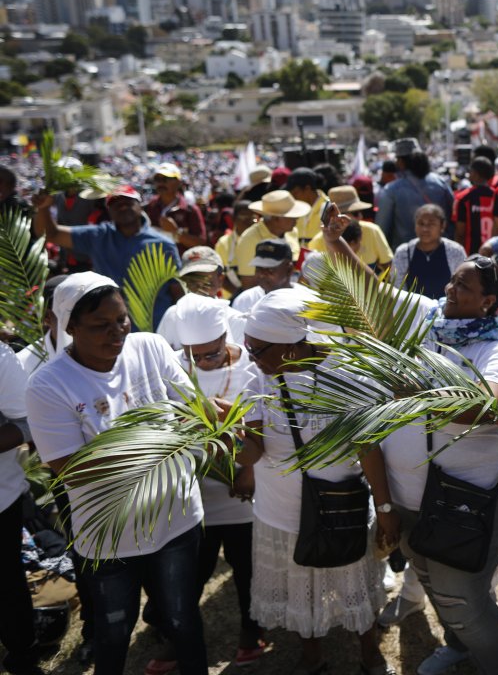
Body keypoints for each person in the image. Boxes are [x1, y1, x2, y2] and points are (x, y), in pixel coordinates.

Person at [320, 211, 498, 675]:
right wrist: (335, 241)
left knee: (461, 596)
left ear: (490, 304)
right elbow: (371, 291)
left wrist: (409, 390)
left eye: (462, 287)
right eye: (451, 283)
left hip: (474, 497)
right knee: (427, 577)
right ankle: (458, 646)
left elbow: (481, 405)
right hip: (410, 494)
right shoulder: (430, 319)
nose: (448, 291)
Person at [25, 272, 207, 675]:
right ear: (69, 327)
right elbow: (71, 470)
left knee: (182, 618)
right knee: (113, 629)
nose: (117, 333)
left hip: (175, 517)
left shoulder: (151, 347)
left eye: (121, 320)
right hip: (110, 535)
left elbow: (193, 410)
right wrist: (159, 443)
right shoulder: (48, 386)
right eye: (100, 326)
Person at [236, 289, 396, 675]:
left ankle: (370, 655)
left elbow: (369, 450)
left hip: (341, 507)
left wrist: (387, 510)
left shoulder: (347, 377)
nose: (252, 359)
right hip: (281, 512)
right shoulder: (259, 380)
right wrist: (228, 443)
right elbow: (252, 452)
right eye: (248, 349)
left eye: (258, 350)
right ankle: (312, 657)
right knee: (299, 591)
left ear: (291, 346)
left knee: (354, 583)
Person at [174, 295, 264, 667]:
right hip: (196, 492)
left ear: (226, 338)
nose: (202, 363)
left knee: (245, 566)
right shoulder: (175, 368)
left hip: (244, 489)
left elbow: (262, 426)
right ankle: (178, 635)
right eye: (193, 356)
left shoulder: (250, 367)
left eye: (211, 354)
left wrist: (248, 471)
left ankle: (251, 628)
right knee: (195, 569)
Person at [32, 184, 182, 330]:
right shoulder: (98, 236)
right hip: (112, 331)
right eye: (115, 203)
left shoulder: (164, 244)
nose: (122, 206)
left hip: (156, 329)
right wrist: (43, 207)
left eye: (128, 201)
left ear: (140, 206)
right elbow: (51, 234)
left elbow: (177, 289)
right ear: (109, 210)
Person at [0, 342, 40, 675]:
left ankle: (23, 655)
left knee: (6, 580)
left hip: (0, 497)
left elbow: (30, 422)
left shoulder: (0, 356)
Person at [155, 247, 246, 349]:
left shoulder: (237, 320)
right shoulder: (172, 315)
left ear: (220, 279)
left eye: (205, 281)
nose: (199, 286)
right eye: (192, 281)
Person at [376, 138, 453, 249]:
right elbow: (452, 221)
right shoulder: (441, 184)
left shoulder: (391, 190)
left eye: (397, 160)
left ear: (401, 162)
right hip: (440, 254)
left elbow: (381, 231)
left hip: (404, 258)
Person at [234, 190, 309, 289]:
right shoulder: (249, 240)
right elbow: (249, 285)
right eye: (292, 216)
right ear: (276, 219)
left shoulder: (292, 231)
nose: (297, 219)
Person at [307, 185, 393, 271]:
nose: (361, 216)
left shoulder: (372, 231)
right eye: (355, 213)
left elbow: (388, 266)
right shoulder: (318, 241)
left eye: (360, 211)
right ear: (337, 217)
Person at [391, 204, 466, 299]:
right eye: (421, 223)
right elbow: (398, 289)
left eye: (431, 224)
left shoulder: (456, 251)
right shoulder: (403, 252)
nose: (425, 229)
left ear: (442, 226)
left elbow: (462, 286)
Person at [144, 162, 207, 253]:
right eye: (157, 179)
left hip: (183, 264)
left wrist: (176, 232)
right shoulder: (148, 208)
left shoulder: (190, 210)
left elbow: (201, 244)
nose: (161, 183)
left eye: (165, 179)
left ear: (178, 182)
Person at [452, 157, 498, 255]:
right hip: (492, 255)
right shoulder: (497, 196)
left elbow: (460, 233)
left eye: (470, 171)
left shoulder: (463, 198)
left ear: (475, 173)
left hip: (469, 255)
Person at [214, 199, 258, 295]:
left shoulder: (261, 242)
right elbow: (218, 275)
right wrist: (240, 297)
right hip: (231, 299)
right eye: (244, 216)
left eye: (253, 218)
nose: (249, 221)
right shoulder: (223, 243)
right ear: (233, 219)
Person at [285, 167, 330, 246]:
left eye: (295, 193)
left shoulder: (328, 208)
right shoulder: (294, 209)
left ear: (307, 189)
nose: (293, 197)